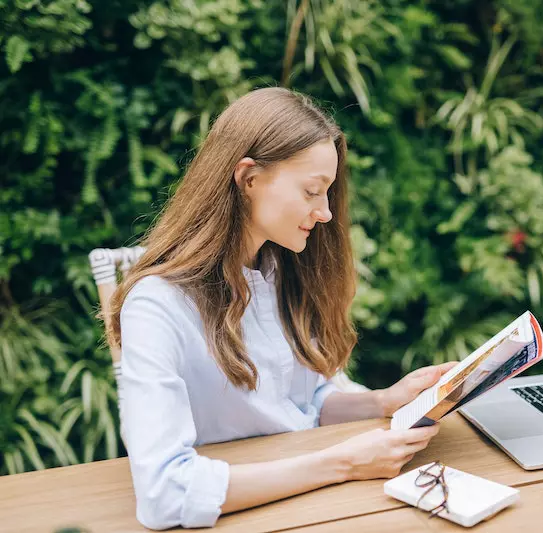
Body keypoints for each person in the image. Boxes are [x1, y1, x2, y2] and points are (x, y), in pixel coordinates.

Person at [106, 87, 456, 530]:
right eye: (312, 191)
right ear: (248, 179)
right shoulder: (158, 305)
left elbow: (304, 401)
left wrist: (383, 401)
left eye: (327, 193)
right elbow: (164, 492)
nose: (326, 213)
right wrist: (342, 463)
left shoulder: (279, 271)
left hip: (312, 498)